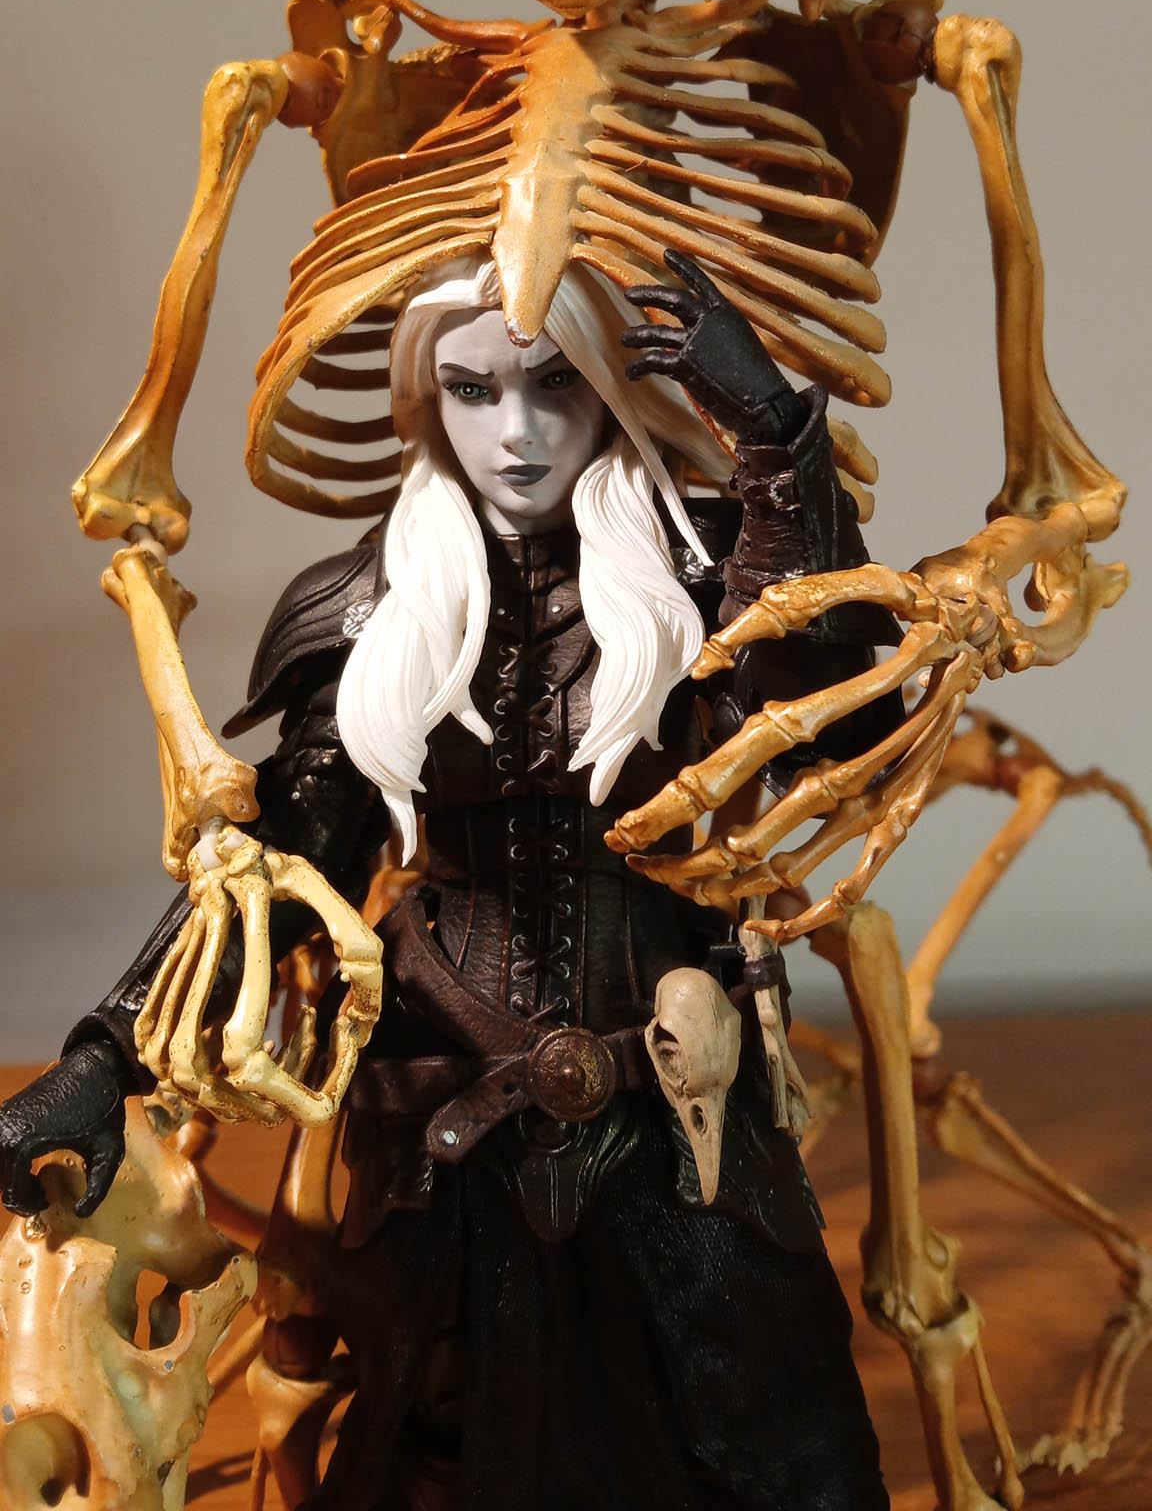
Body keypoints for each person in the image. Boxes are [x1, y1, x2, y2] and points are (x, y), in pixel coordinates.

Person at [0, 250, 897, 1510]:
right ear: (428, 400)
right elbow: (281, 860)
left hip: (674, 1102)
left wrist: (776, 441)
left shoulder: (696, 577)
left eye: (553, 383)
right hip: (445, 1120)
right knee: (445, 1439)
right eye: (473, 389)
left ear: (609, 387)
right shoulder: (368, 607)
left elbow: (842, 729)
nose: (514, 431)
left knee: (756, 1422)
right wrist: (107, 1055)